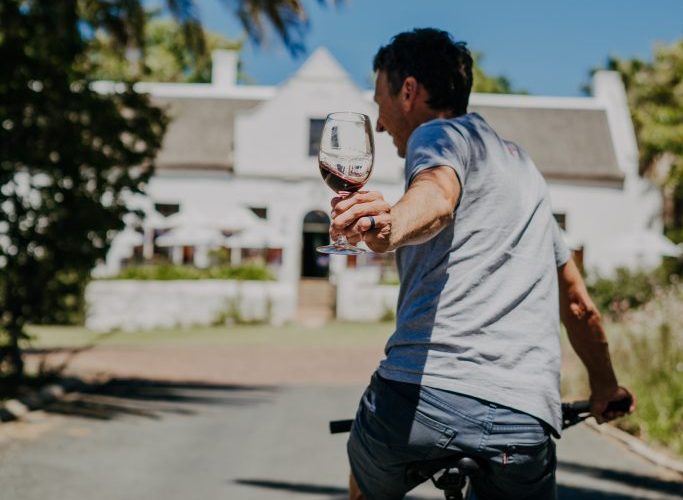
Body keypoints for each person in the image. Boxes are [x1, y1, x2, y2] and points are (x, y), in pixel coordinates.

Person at [329, 28, 635, 500]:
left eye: (379, 103)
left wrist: (389, 225)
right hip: (522, 419)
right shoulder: (524, 171)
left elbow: (437, 195)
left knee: (364, 488)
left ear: (408, 91)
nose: (381, 126)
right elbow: (578, 304)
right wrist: (604, 387)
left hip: (419, 401)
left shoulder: (436, 134)